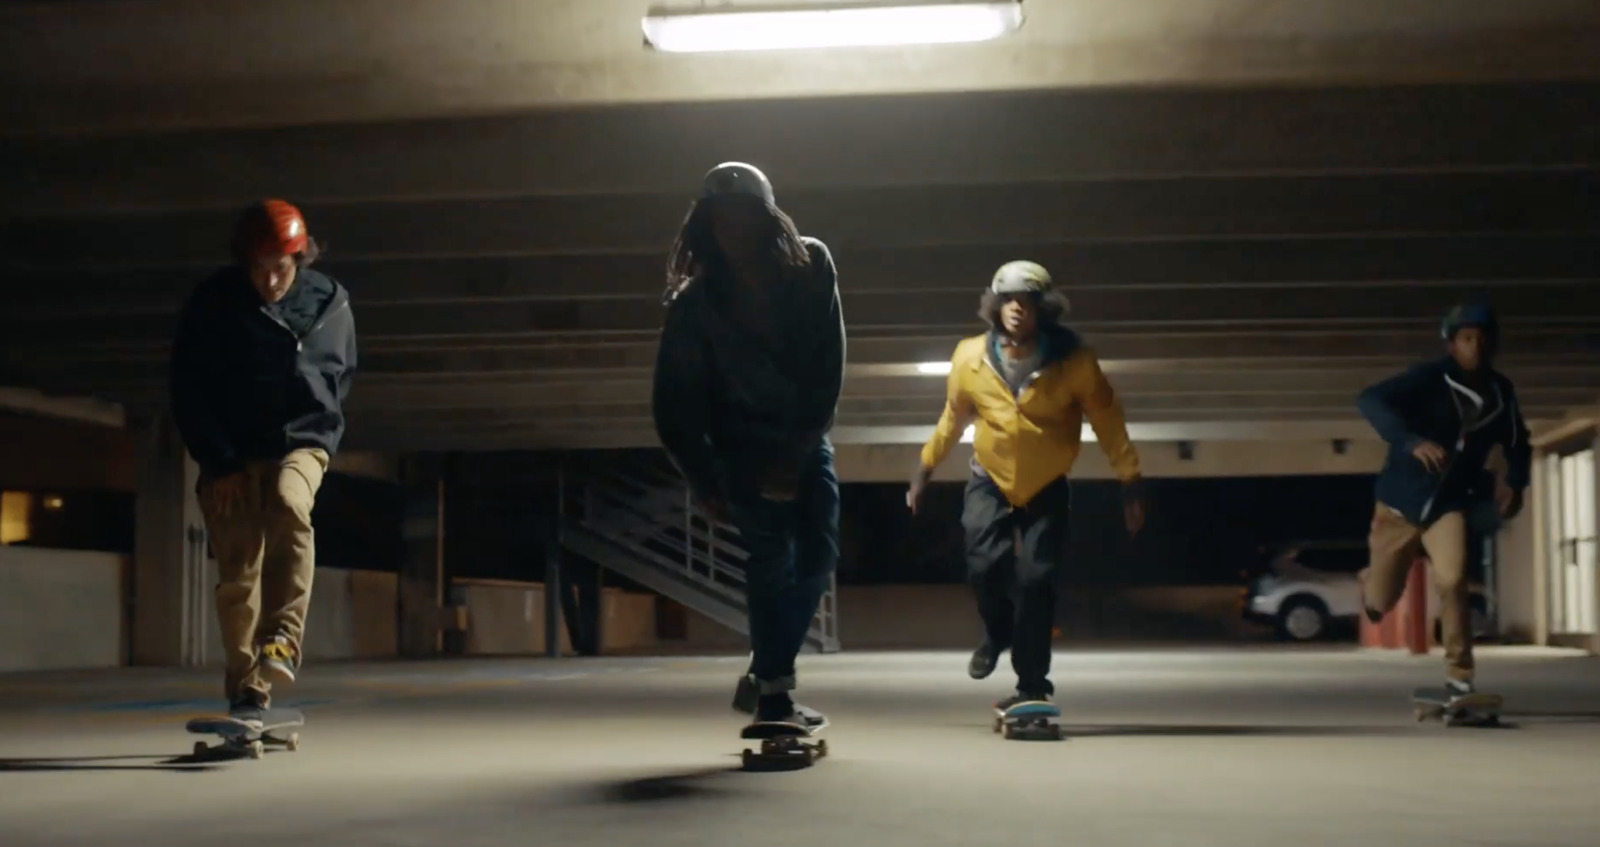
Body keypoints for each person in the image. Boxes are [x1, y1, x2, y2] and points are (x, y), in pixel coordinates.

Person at [651, 162, 846, 728]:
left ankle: (765, 673)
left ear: (767, 220)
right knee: (768, 561)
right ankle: (776, 698)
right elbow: (673, 403)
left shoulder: (810, 266)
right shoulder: (693, 306)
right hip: (739, 448)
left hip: (805, 438)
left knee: (818, 559)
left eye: (743, 218)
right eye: (720, 220)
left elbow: (826, 368)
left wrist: (796, 457)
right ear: (704, 227)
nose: (733, 230)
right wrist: (704, 479)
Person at [906, 261, 1144, 711]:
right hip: (988, 479)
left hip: (1046, 484)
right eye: (1008, 301)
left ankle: (1032, 682)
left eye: (1028, 303)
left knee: (1038, 580)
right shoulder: (969, 357)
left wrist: (1130, 481)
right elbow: (954, 417)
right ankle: (997, 631)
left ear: (1045, 310)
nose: (1017, 310)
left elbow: (1108, 421)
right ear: (995, 307)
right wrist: (925, 468)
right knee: (983, 565)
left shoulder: (1074, 361)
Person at [170, 199, 359, 723]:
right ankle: (247, 690)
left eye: (281, 269)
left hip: (301, 441)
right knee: (237, 577)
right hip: (229, 453)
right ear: (244, 264)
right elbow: (188, 388)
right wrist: (219, 461)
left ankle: (282, 639)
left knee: (288, 501)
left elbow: (340, 376)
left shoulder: (329, 302)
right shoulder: (213, 304)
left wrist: (316, 429)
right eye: (259, 270)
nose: (271, 281)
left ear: (301, 261)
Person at [1355, 301, 1529, 696]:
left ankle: (1459, 675)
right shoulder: (1429, 379)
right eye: (1467, 339)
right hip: (1399, 505)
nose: (1476, 348)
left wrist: (1515, 483)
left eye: (1484, 340)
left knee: (1452, 580)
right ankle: (1373, 588)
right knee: (1381, 602)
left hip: (1449, 505)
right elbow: (1369, 399)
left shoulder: (1501, 392)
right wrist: (1410, 441)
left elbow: (1518, 441)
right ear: (1452, 345)